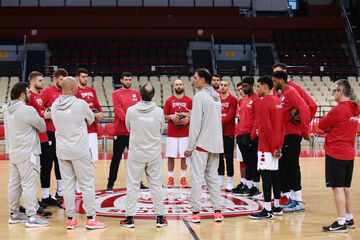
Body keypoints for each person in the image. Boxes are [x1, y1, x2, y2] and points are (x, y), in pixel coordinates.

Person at [51, 77, 106, 230]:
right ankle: (91, 219)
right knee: (87, 184)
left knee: (68, 185)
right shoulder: (80, 104)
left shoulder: (55, 105)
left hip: (62, 150)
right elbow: (90, 120)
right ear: (74, 87)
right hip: (80, 150)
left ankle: (70, 219)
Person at [120, 83, 167, 228]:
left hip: (136, 153)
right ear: (153, 95)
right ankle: (160, 218)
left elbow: (129, 127)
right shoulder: (159, 112)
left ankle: (130, 218)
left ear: (140, 94)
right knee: (156, 185)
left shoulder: (131, 110)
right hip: (153, 153)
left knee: (133, 185)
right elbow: (160, 129)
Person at [5, 82, 50, 227]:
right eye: (28, 92)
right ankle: (32, 217)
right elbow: (42, 127)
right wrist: (44, 116)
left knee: (14, 184)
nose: (30, 95)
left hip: (14, 151)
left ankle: (14, 213)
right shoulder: (27, 110)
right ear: (22, 94)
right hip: (28, 153)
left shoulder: (6, 109)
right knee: (29, 185)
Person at [184, 68, 224, 223]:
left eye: (195, 78)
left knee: (196, 179)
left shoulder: (199, 96)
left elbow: (195, 125)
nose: (193, 80)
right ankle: (218, 212)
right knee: (213, 179)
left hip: (202, 144)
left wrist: (189, 147)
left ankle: (195, 213)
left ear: (202, 80)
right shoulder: (216, 97)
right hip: (216, 143)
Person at [319, 80, 359, 233]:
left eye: (334, 91)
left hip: (336, 152)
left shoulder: (339, 110)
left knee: (337, 188)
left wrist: (330, 128)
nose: (333, 93)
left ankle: (341, 222)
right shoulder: (354, 109)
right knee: (346, 187)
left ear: (341, 92)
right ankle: (349, 218)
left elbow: (322, 125)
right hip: (349, 153)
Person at [272, 70, 311, 212]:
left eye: (275, 81)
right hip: (283, 136)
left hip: (292, 135)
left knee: (292, 166)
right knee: (283, 167)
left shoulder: (291, 92)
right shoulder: (280, 94)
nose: (273, 83)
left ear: (281, 80)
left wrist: (305, 130)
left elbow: (305, 108)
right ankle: (288, 198)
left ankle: (298, 200)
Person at [249, 76, 284, 220]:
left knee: (265, 174)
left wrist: (272, 147)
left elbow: (267, 128)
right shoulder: (278, 101)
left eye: (258, 86)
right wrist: (279, 147)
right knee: (274, 174)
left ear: (265, 86)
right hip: (276, 144)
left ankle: (267, 209)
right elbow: (282, 127)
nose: (257, 89)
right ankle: (276, 206)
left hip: (266, 145)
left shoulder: (263, 103)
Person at [106, 72, 147, 192]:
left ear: (132, 80)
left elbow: (140, 109)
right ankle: (110, 184)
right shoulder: (116, 94)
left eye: (130, 80)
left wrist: (135, 123)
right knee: (116, 159)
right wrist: (131, 122)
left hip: (133, 133)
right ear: (121, 80)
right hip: (120, 132)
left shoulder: (136, 93)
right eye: (126, 80)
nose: (128, 81)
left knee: (136, 159)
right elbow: (118, 110)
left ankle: (138, 182)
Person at [28, 71, 62, 207]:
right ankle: (32, 200)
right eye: (40, 81)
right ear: (32, 82)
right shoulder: (29, 97)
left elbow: (40, 112)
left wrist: (46, 113)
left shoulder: (39, 97)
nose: (43, 83)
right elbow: (30, 117)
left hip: (44, 135)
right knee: (33, 169)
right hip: (34, 137)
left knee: (48, 164)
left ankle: (46, 196)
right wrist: (44, 116)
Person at [40, 68, 68, 199]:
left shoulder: (66, 92)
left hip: (62, 131)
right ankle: (46, 192)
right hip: (50, 131)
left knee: (60, 160)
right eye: (61, 79)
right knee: (49, 161)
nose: (63, 82)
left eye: (64, 80)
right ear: (55, 79)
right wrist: (45, 113)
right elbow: (38, 107)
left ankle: (60, 189)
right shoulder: (47, 91)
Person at [163, 79, 192, 187]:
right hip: (172, 133)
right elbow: (164, 116)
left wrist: (188, 118)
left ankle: (183, 179)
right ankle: (170, 178)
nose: (178, 86)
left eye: (180, 84)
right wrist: (171, 116)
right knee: (171, 156)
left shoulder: (189, 100)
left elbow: (193, 114)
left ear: (183, 86)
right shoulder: (169, 100)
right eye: (176, 84)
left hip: (185, 133)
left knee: (184, 156)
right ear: (174, 86)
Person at [234, 77, 260, 197]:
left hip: (251, 136)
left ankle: (255, 186)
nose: (243, 88)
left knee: (254, 162)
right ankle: (248, 186)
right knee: (246, 162)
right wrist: (238, 134)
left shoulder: (257, 99)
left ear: (251, 85)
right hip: (241, 135)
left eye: (245, 86)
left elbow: (257, 120)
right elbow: (241, 118)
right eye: (242, 86)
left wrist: (252, 136)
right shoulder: (243, 101)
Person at [75, 68, 104, 162]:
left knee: (93, 158)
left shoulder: (92, 90)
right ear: (77, 78)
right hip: (81, 129)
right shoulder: (75, 91)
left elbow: (97, 106)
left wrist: (101, 114)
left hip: (92, 128)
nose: (85, 79)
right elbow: (78, 110)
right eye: (83, 77)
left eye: (87, 77)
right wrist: (92, 115)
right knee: (82, 157)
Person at [218, 79, 237, 191]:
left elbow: (230, 116)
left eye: (225, 85)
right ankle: (221, 181)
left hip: (228, 132)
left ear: (228, 87)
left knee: (229, 158)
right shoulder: (216, 99)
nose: (223, 87)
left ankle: (230, 181)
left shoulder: (233, 99)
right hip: (217, 133)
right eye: (221, 85)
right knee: (219, 158)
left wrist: (216, 121)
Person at [232, 82, 247, 194]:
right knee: (241, 161)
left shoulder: (252, 101)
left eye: (242, 88)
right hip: (239, 136)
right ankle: (243, 182)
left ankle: (249, 183)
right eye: (239, 90)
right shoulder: (240, 103)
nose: (241, 91)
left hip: (248, 136)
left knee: (249, 162)